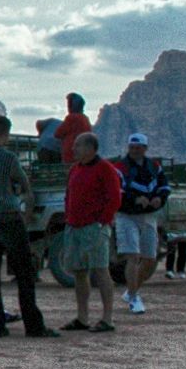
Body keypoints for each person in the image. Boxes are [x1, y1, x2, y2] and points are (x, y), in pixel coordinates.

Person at [0, 115, 55, 338]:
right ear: (6, 133)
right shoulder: (8, 158)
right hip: (9, 217)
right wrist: (25, 213)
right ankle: (33, 325)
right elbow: (24, 186)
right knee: (24, 274)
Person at [58, 133, 122, 333]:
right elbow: (69, 194)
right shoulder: (74, 169)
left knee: (101, 270)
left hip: (94, 227)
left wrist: (102, 221)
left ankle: (107, 318)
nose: (73, 149)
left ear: (90, 148)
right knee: (79, 272)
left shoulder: (105, 169)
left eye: (77, 145)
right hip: (74, 227)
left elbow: (114, 198)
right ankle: (82, 317)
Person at [114, 133, 170, 315]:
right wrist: (135, 199)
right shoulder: (120, 167)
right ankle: (134, 297)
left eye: (138, 147)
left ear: (145, 149)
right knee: (132, 256)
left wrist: (158, 199)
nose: (134, 150)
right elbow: (117, 192)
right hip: (126, 216)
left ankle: (131, 290)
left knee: (150, 259)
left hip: (148, 217)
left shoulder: (154, 166)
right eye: (132, 147)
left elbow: (164, 187)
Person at [57, 94, 92, 160]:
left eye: (69, 104)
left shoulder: (70, 118)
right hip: (84, 151)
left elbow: (58, 133)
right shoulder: (85, 119)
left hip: (70, 151)